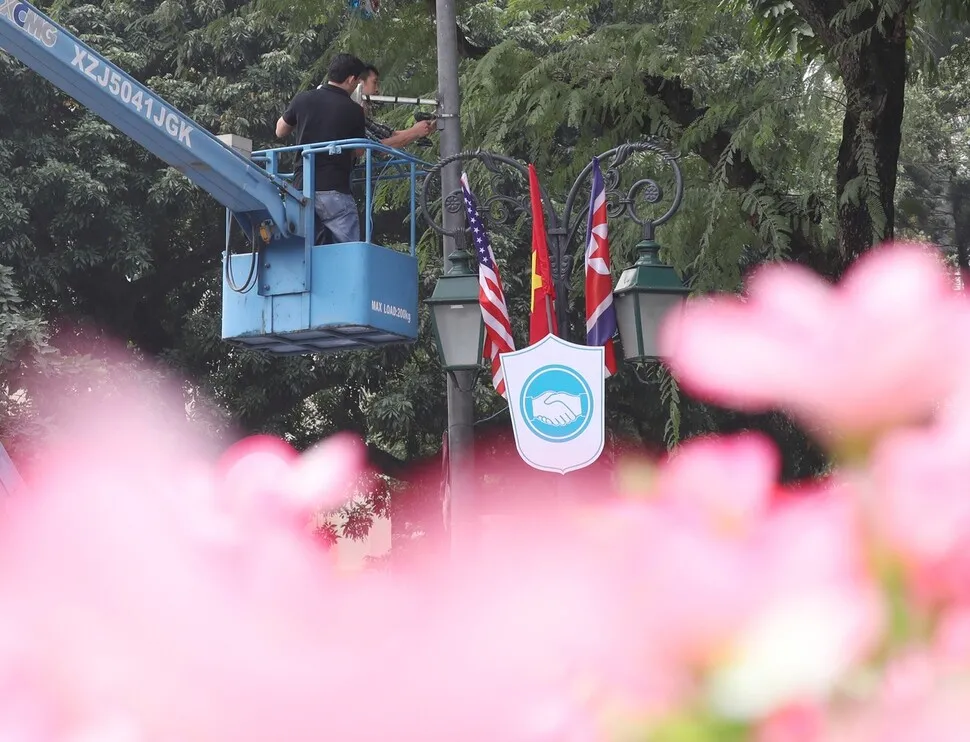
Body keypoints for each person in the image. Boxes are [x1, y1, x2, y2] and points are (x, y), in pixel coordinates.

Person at [276, 53, 367, 244]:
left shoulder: (303, 99)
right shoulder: (354, 110)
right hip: (334, 190)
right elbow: (359, 151)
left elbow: (280, 131)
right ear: (351, 79)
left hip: (301, 188)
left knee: (308, 248)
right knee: (347, 251)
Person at [356, 64, 435, 148]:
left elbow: (391, 135)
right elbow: (377, 148)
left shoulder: (363, 120)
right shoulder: (352, 118)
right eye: (374, 83)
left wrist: (425, 127)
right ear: (360, 84)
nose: (377, 90)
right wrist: (415, 132)